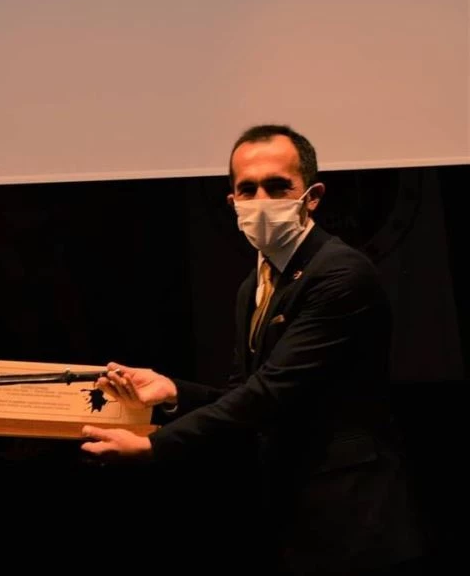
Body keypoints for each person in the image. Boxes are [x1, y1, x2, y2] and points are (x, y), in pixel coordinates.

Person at [80, 125, 425, 575]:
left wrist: (154, 446)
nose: (261, 200)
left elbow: (270, 393)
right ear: (232, 201)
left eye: (278, 186)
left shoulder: (340, 273)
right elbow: (245, 389)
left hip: (353, 518)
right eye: (248, 189)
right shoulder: (255, 283)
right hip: (291, 514)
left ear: (313, 196)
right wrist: (173, 391)